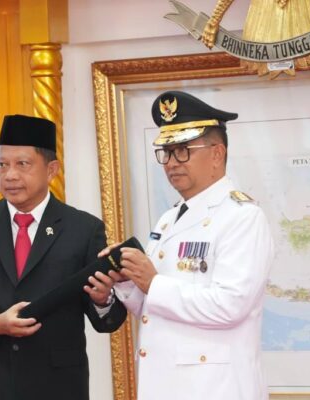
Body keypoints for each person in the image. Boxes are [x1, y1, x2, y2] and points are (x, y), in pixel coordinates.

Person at [0, 114, 127, 400]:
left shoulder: (84, 229)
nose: (10, 175)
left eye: (22, 164)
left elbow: (107, 322)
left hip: (59, 387)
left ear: (51, 170)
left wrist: (103, 300)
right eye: (2, 165)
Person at [105, 91, 274, 399]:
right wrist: (127, 281)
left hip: (214, 388)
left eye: (183, 151)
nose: (171, 163)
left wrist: (153, 283)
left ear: (217, 154)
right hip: (165, 384)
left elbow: (230, 306)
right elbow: (153, 309)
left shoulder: (242, 217)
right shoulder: (169, 219)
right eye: (166, 152)